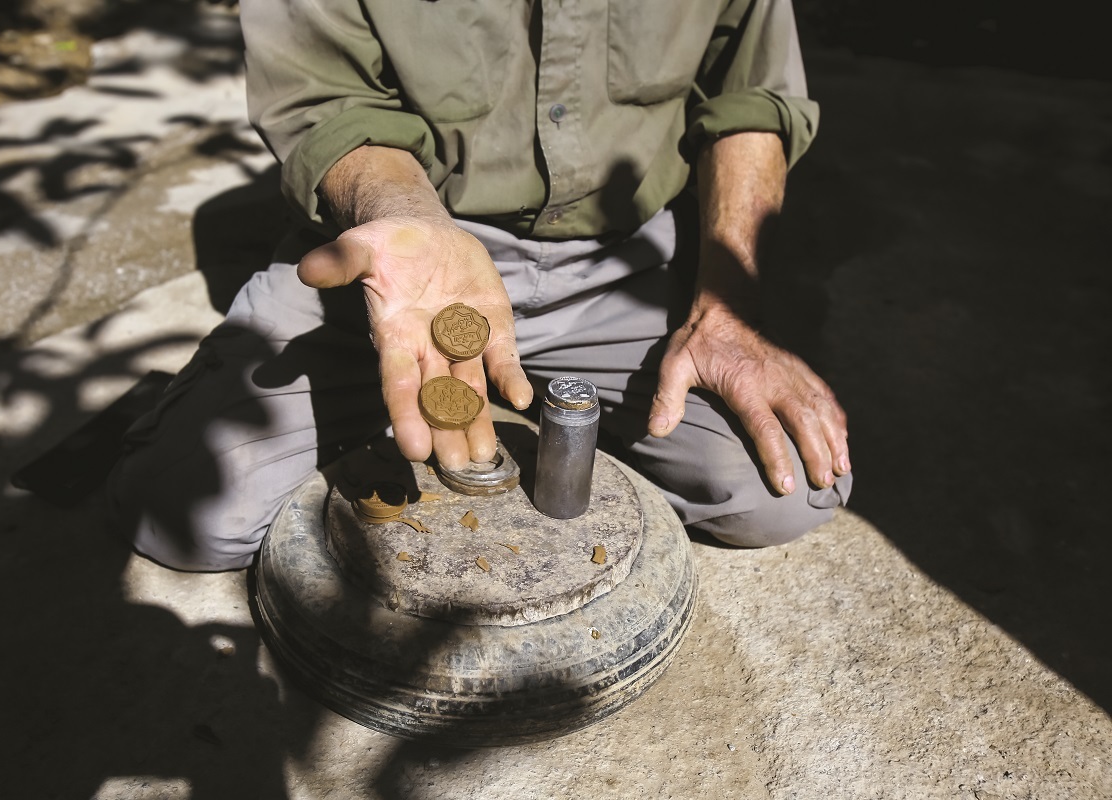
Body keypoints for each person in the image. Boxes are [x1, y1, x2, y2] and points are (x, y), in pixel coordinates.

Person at [109, 0, 852, 571]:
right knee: (183, 508)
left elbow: (751, 100)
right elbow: (323, 104)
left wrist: (727, 306)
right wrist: (406, 220)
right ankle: (404, 384)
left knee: (787, 494)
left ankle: (505, 388)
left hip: (627, 260)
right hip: (407, 238)